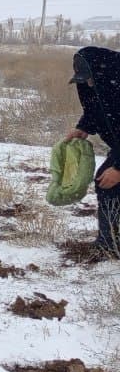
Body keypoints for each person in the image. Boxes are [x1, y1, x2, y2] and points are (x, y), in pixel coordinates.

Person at [67, 46, 120, 257]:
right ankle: (110, 243)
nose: (88, 83)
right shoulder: (103, 85)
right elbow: (97, 109)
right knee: (106, 183)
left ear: (103, 72)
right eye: (84, 79)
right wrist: (84, 127)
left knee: (111, 179)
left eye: (91, 78)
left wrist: (118, 167)